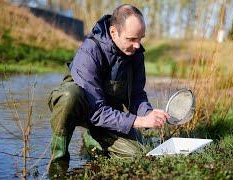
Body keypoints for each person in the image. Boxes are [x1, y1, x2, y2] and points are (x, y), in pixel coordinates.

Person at [47, 4, 169, 176]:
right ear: (113, 32)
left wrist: (148, 114)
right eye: (132, 39)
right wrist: (139, 121)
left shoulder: (136, 54)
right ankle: (58, 165)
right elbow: (96, 110)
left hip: (110, 114)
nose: (137, 45)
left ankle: (93, 139)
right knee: (70, 96)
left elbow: (136, 95)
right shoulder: (89, 51)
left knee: (141, 154)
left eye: (141, 38)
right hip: (84, 108)